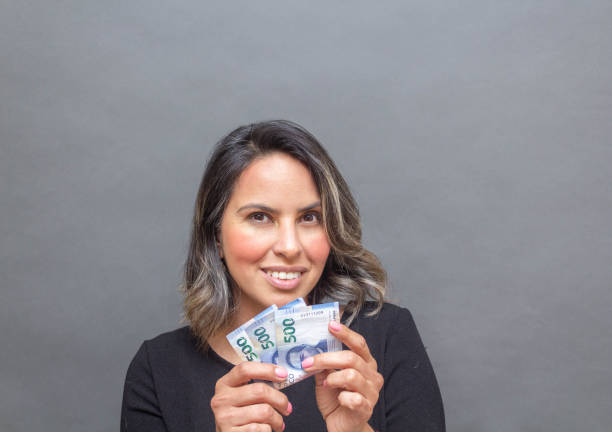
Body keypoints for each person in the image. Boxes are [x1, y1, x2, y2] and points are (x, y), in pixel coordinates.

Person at [120, 120, 445, 432]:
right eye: (260, 216)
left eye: (310, 217)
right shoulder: (158, 369)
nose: (290, 247)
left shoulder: (387, 335)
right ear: (216, 236)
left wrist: (355, 429)